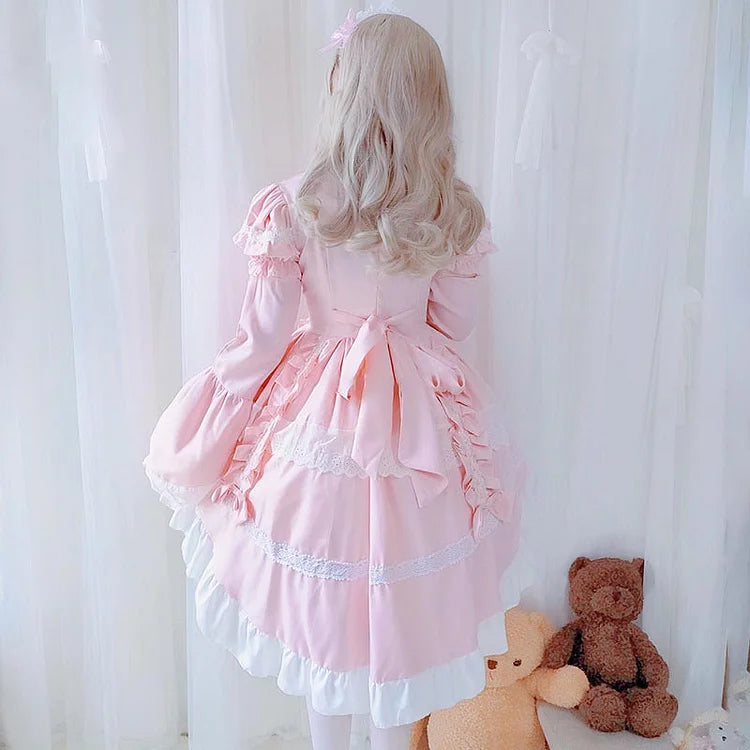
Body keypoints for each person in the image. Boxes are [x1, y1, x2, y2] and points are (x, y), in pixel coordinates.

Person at [144, 10, 525, 750]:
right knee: (404, 618)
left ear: (343, 90)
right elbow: (454, 324)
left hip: (319, 416)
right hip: (419, 418)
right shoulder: (451, 209)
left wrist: (214, 408)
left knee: (321, 623)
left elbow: (262, 338)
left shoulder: (296, 203)